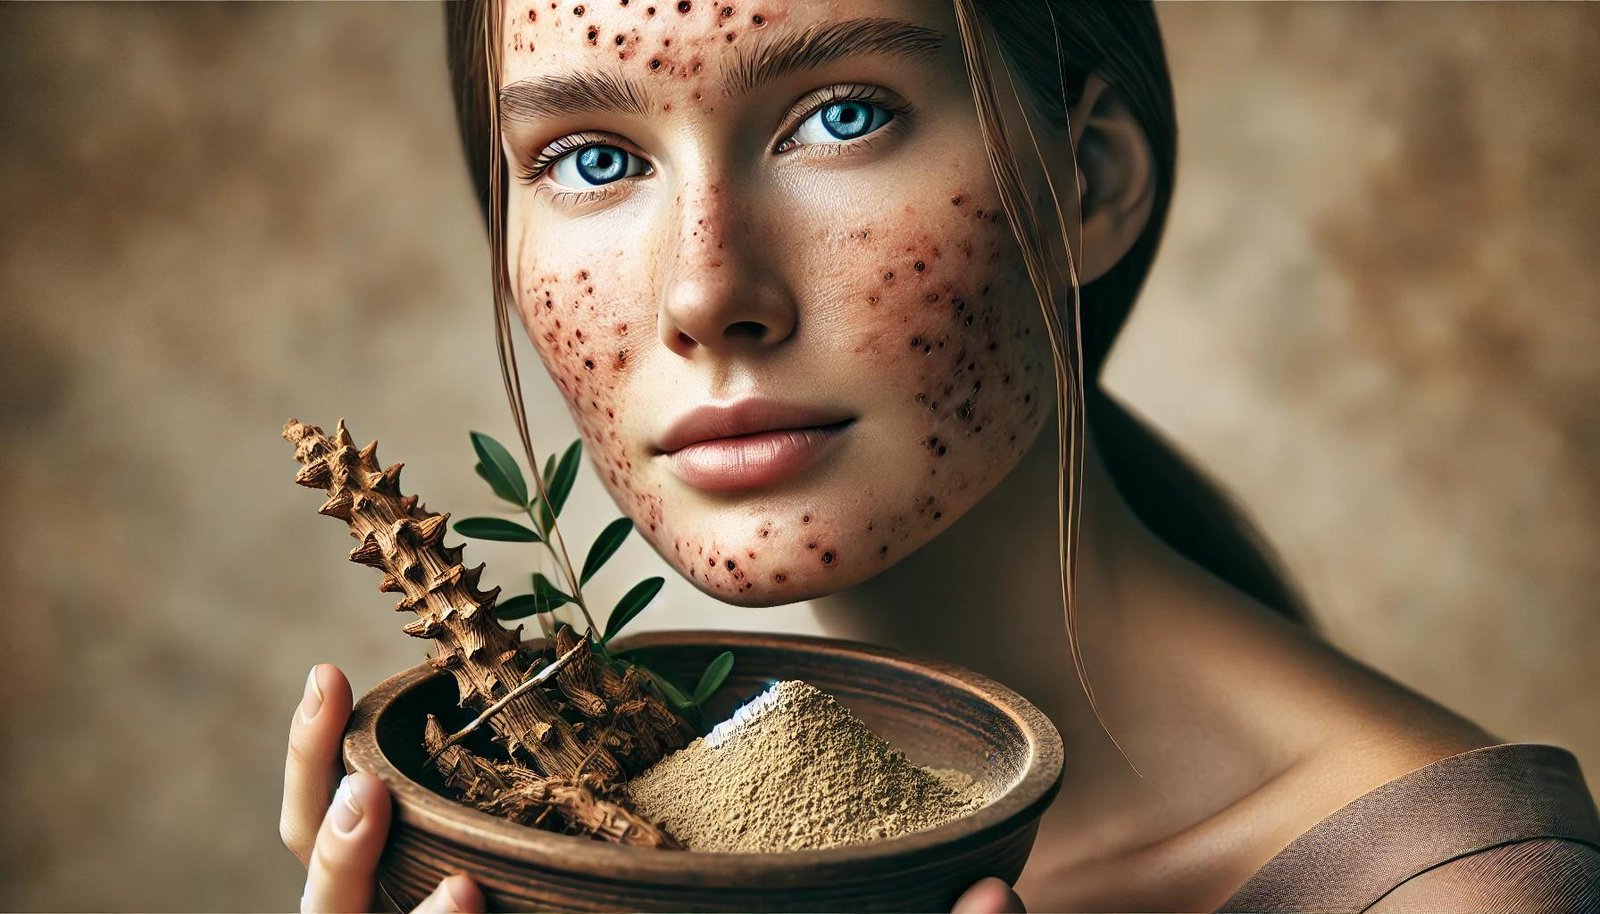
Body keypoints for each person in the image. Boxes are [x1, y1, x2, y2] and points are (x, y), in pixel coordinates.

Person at [280, 1, 1600, 910]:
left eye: (842, 117)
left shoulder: (1460, 892)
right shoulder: (617, 844)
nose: (705, 291)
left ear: (1085, 184)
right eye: (589, 155)